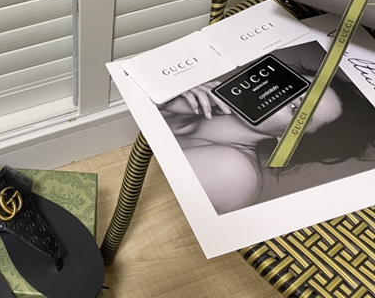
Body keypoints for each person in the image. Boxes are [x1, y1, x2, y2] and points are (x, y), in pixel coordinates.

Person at [159, 64, 375, 214]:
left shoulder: (233, 172)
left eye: (295, 109)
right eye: (292, 84)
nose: (277, 94)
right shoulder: (190, 99)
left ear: (287, 140)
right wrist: (161, 102)